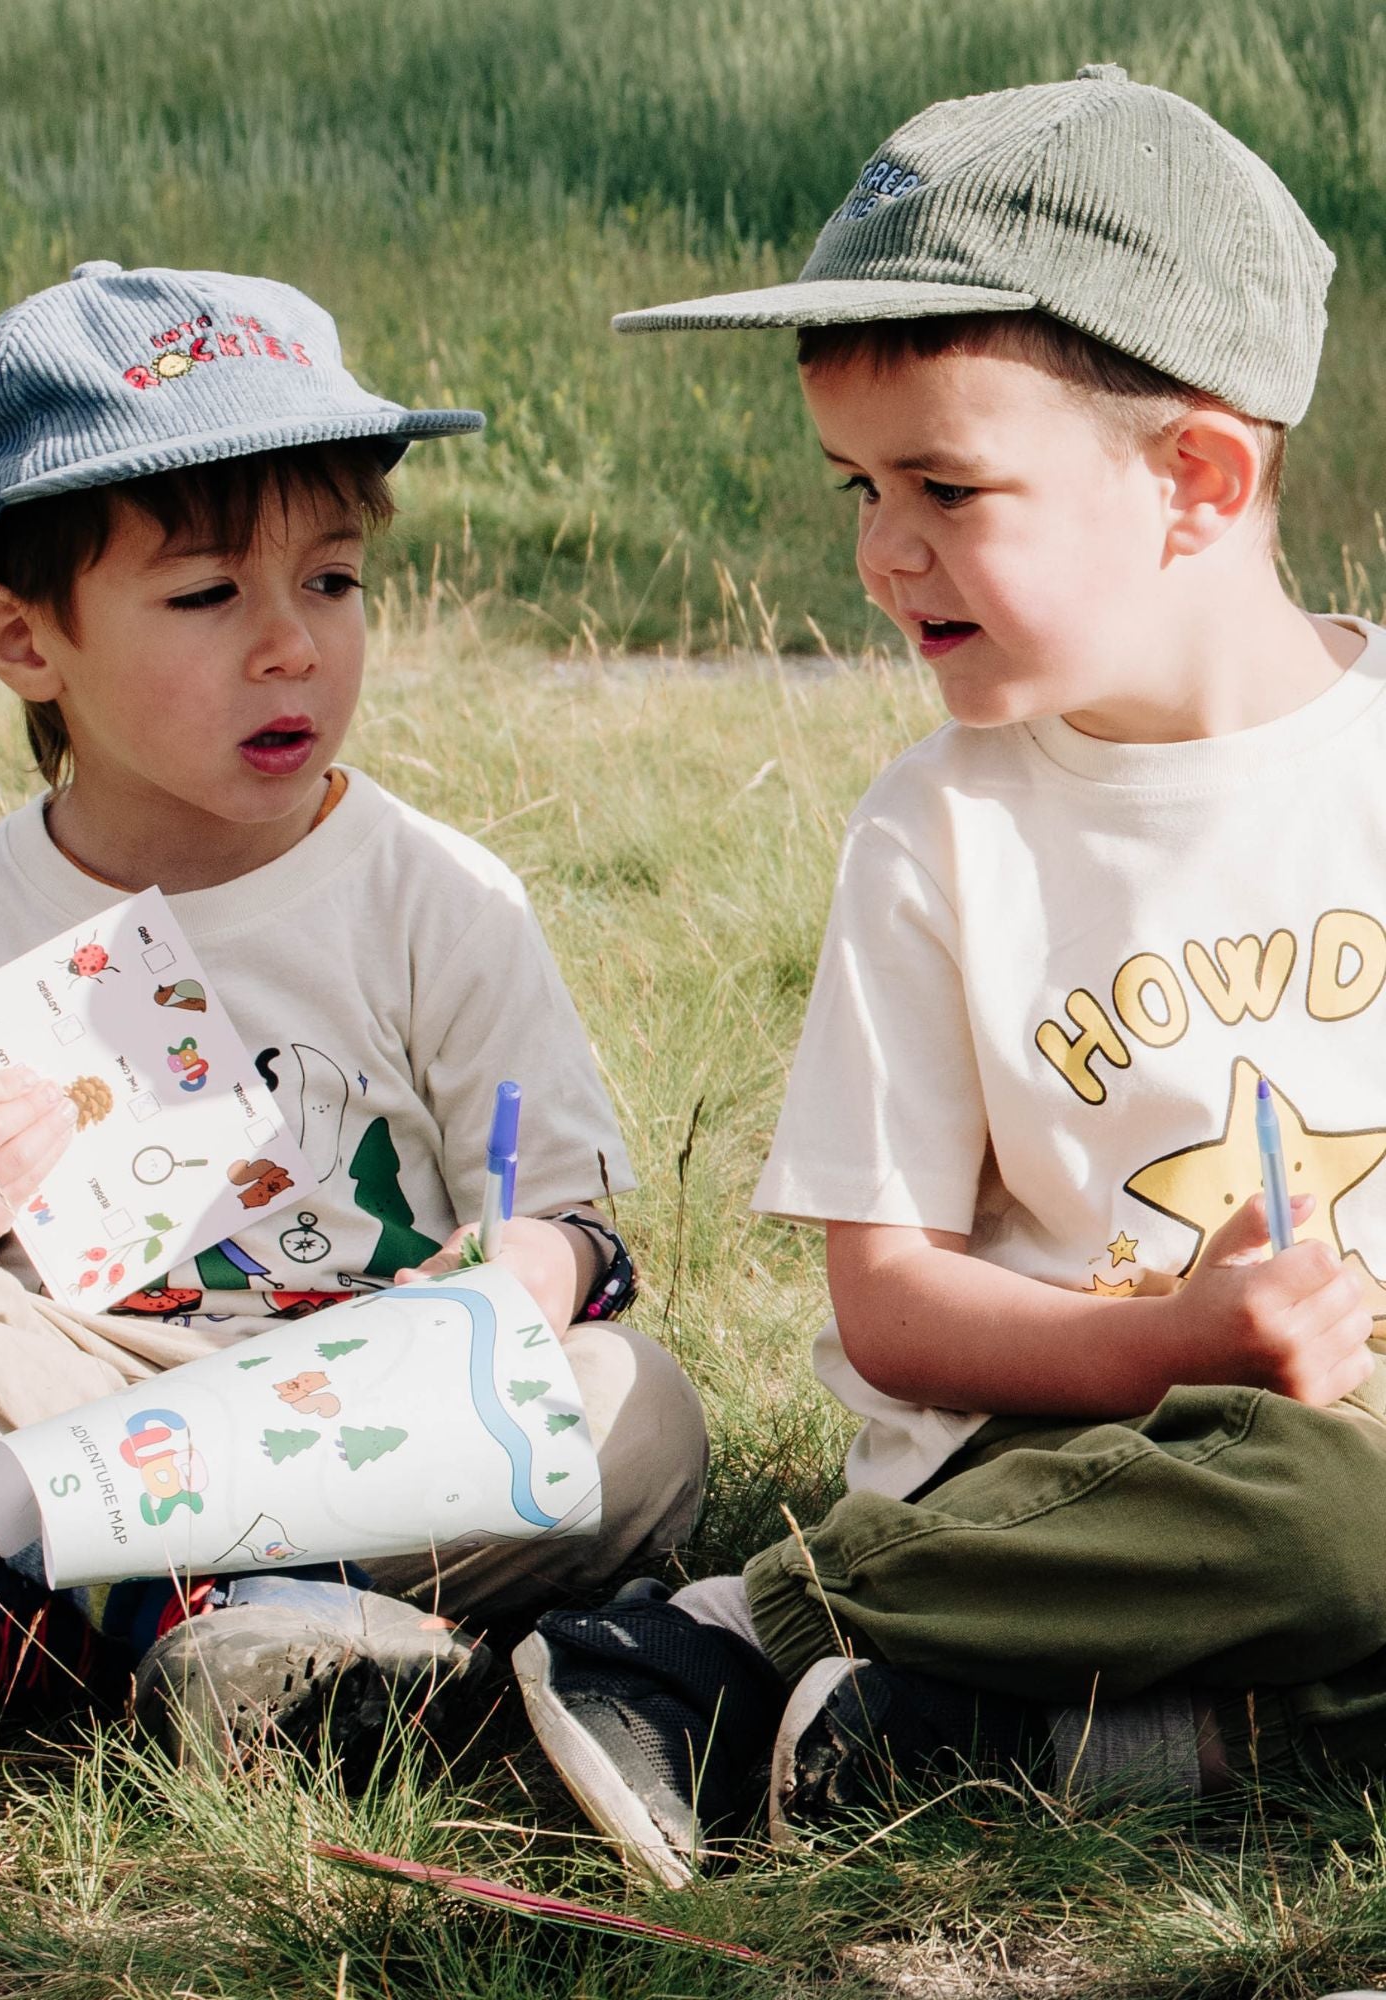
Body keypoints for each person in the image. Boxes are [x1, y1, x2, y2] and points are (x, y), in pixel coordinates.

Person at [512, 64, 1386, 1887]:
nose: (878, 552)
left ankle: (977, 1737)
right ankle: (741, 1632)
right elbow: (894, 1306)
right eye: (858, 486)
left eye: (945, 485)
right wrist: (1187, 1339)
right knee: (1335, 1525)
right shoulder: (944, 834)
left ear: (1198, 479)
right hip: (1078, 1456)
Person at [0, 260, 707, 1765]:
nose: (292, 644)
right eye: (210, 593)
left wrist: (526, 1267)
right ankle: (262, 1636)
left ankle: (45, 1625)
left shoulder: (439, 897)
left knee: (638, 1414)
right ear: (25, 641)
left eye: (331, 580)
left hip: (372, 1405)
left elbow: (583, 1231)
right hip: (103, 1394)